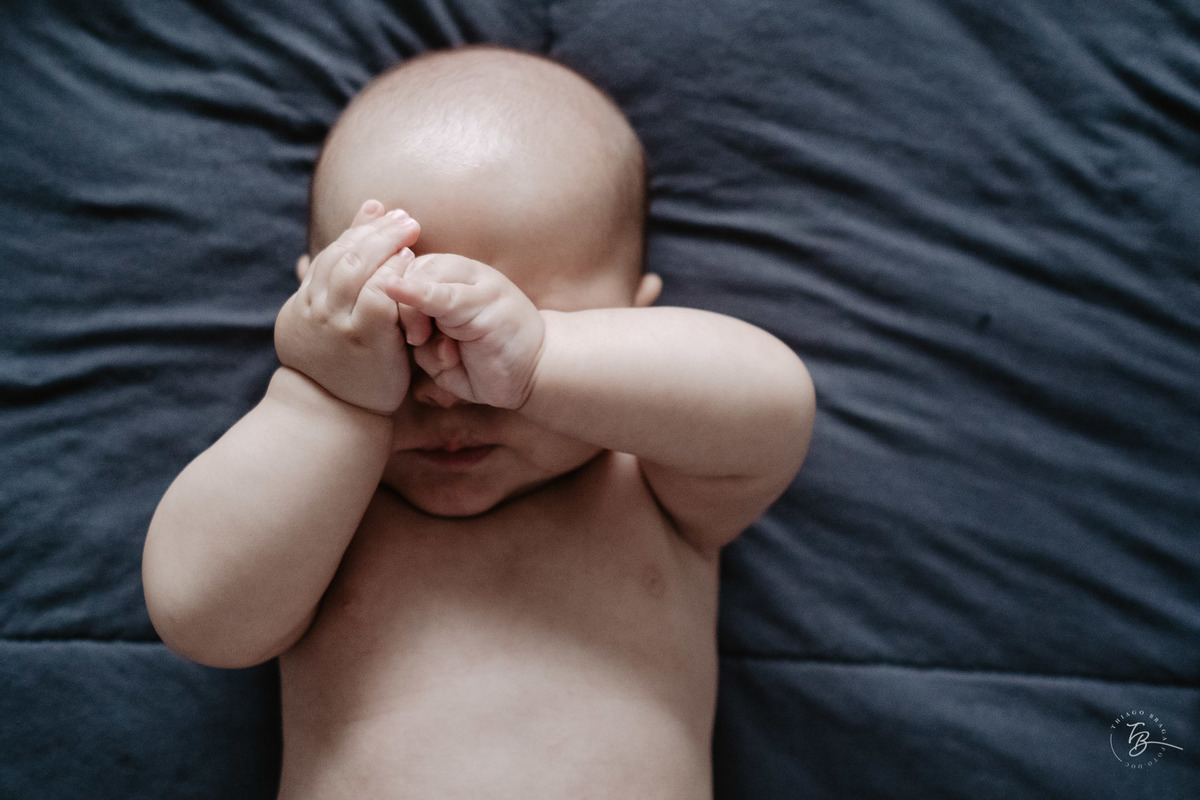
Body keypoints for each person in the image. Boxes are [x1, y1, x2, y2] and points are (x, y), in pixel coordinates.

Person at [143, 45, 815, 799]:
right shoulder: (319, 491)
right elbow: (201, 619)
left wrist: (543, 364)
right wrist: (325, 396)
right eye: (399, 331)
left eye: (525, 319)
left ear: (636, 312)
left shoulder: (648, 475)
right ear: (314, 302)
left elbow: (774, 409)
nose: (448, 389)